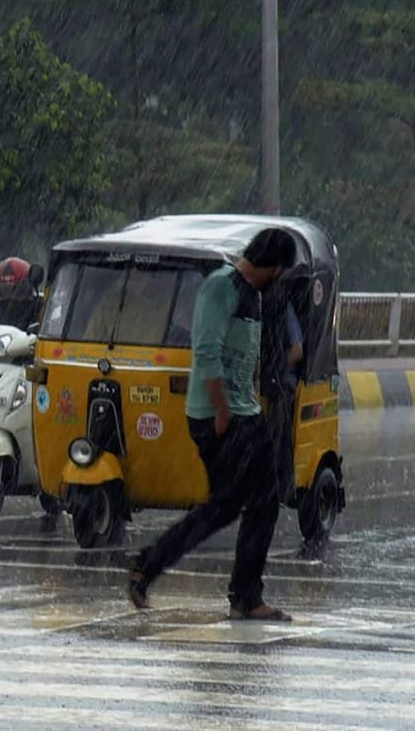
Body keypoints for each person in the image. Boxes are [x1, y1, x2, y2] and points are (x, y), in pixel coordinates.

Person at [126, 228, 298, 622]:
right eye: (282, 270)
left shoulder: (251, 292)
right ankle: (240, 595)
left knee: (243, 505)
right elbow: (205, 351)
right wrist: (222, 410)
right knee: (242, 504)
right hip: (220, 417)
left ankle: (231, 592)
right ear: (273, 266)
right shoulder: (221, 287)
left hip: (245, 413)